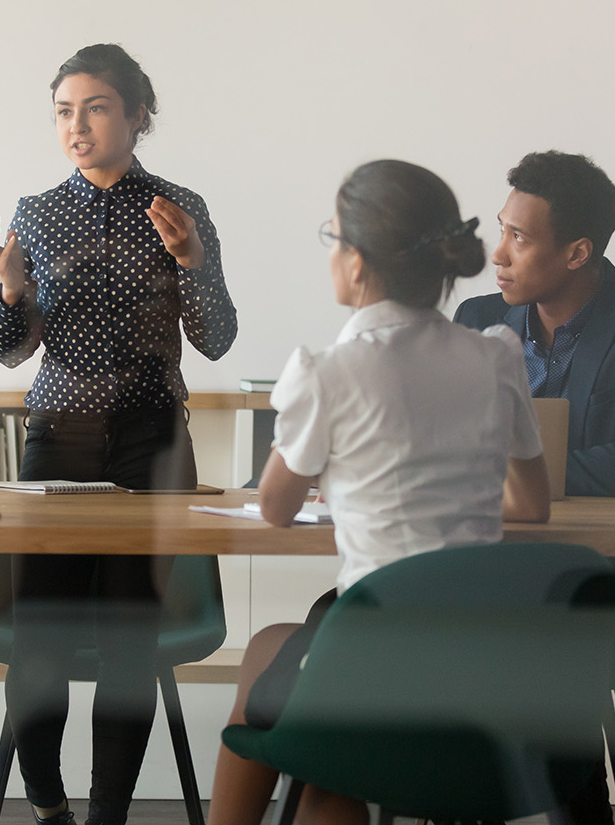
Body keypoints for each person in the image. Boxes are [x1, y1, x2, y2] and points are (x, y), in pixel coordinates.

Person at [207, 159, 552, 825]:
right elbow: (531, 503)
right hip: (485, 651)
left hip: (375, 648)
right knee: (276, 657)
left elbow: (277, 507)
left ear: (358, 261)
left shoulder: (328, 371)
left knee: (323, 763)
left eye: (332, 238)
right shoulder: (496, 356)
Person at [0, 43, 237, 825]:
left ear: (137, 115)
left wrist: (192, 259)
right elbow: (10, 348)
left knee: (131, 641)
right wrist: (11, 289)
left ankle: (108, 815)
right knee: (40, 635)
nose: (77, 126)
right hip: (56, 435)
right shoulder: (37, 212)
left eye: (94, 107)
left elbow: (216, 336)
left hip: (152, 439)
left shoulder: (179, 204)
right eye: (64, 110)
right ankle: (49, 802)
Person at [453, 150, 615, 498]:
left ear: (577, 254)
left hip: (610, 545)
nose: (498, 254)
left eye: (519, 238)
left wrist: (512, 476)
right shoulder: (477, 320)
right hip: (494, 536)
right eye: (502, 230)